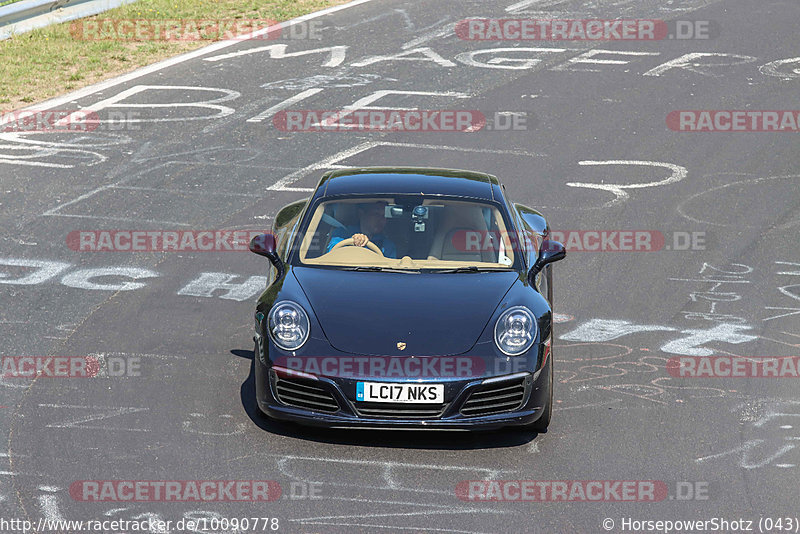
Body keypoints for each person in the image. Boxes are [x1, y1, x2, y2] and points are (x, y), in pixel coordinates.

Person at [326, 202, 397, 258]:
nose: (381, 220)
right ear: (361, 214)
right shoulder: (342, 233)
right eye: (376, 214)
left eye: (383, 215)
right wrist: (354, 241)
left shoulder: (387, 245)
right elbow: (332, 252)